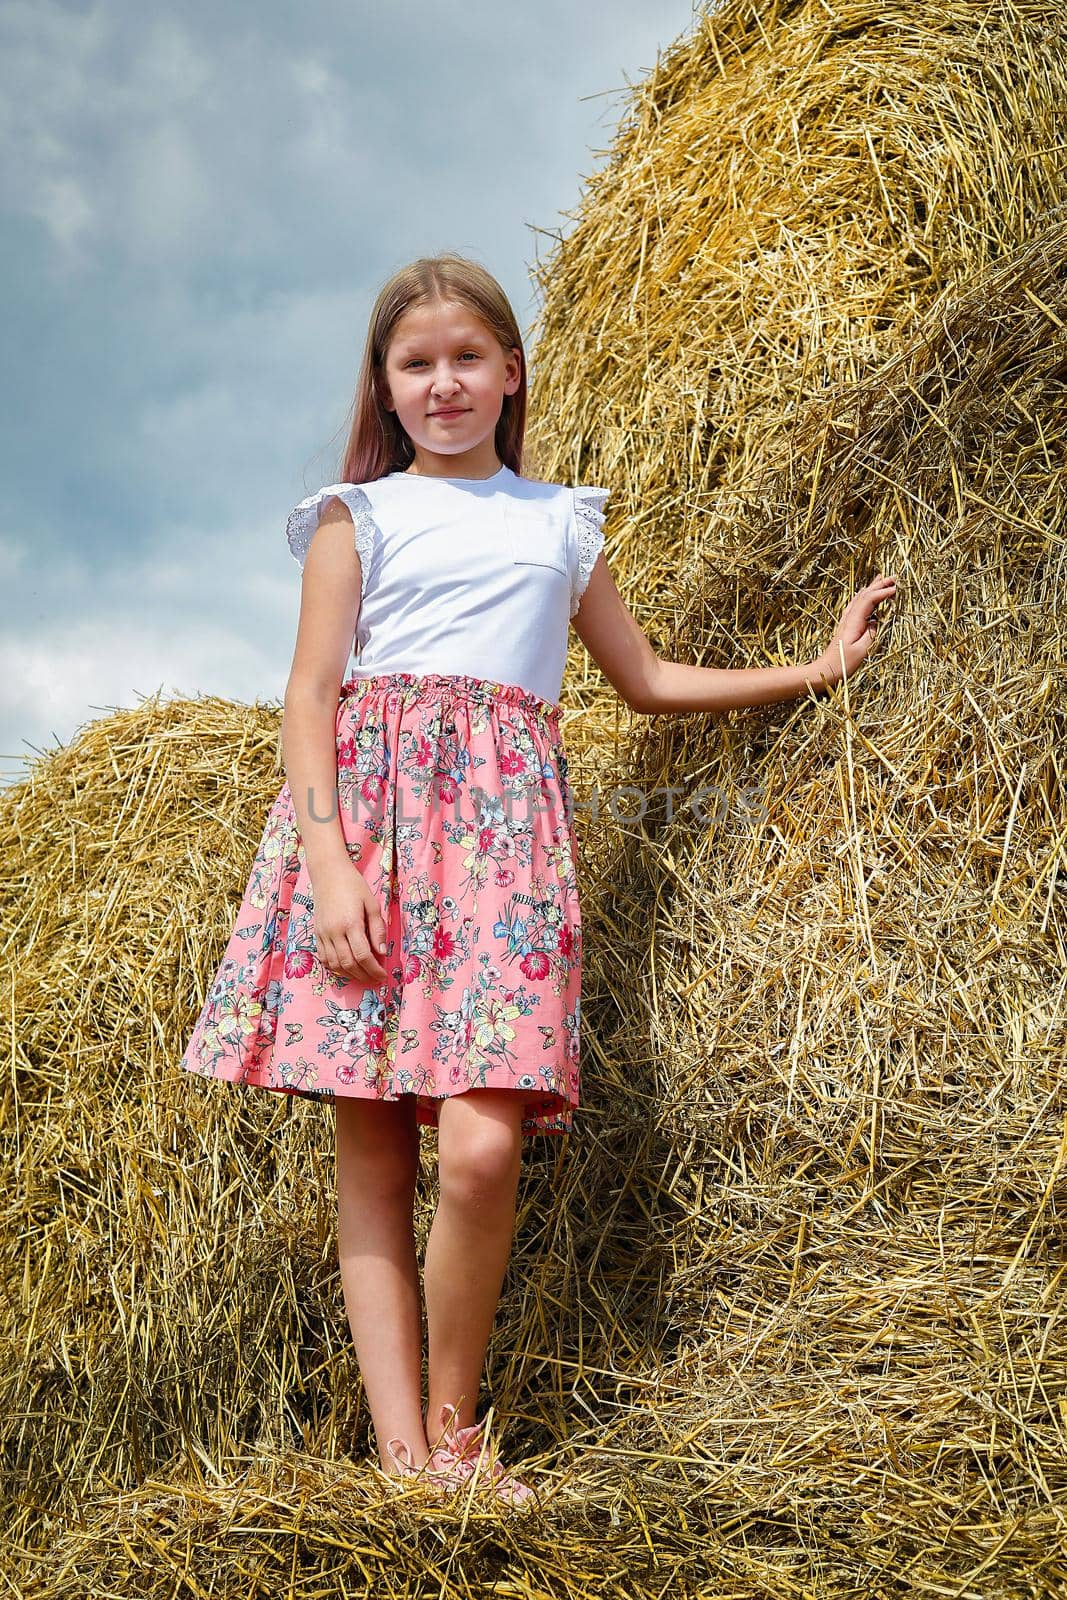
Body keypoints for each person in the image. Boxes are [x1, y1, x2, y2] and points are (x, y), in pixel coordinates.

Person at [179, 252, 898, 1508]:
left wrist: (815, 672)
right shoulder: (356, 517)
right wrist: (332, 863)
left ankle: (455, 1433)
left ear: (509, 373)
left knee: (477, 1153)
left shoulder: (560, 521)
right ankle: (411, 1466)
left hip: (504, 857)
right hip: (371, 846)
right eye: (416, 364)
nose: (442, 382)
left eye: (466, 358)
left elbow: (648, 679)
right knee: (373, 1163)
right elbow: (308, 696)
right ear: (386, 389)